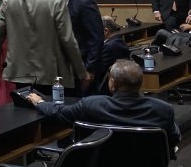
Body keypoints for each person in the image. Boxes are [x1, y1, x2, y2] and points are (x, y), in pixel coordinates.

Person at [22, 60, 179, 150]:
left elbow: (59, 113)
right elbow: (173, 140)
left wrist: (40, 102)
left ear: (112, 83)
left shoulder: (92, 104)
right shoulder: (163, 109)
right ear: (140, 82)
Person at [0, 0, 87, 92]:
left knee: (23, 104)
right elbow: (67, 39)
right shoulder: (56, 2)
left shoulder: (8, 0)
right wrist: (81, 72)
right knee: (48, 104)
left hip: (19, 71)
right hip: (49, 73)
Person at [50, 0, 104, 93]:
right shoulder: (54, 2)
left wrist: (89, 70)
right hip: (63, 68)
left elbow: (96, 39)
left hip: (82, 67)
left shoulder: (84, 3)